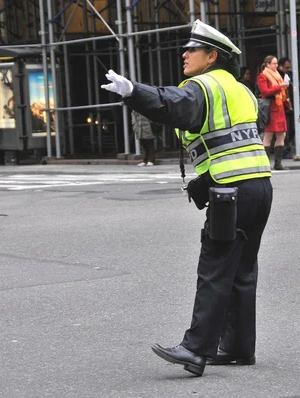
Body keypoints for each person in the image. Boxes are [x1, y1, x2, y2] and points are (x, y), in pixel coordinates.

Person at [101, 19, 273, 377]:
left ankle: (195, 350)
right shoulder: (239, 89)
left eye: (192, 49)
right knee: (242, 270)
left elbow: (171, 104)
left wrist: (133, 90)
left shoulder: (204, 86)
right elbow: (242, 133)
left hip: (231, 192)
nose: (185, 54)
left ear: (212, 56)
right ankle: (240, 347)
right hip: (260, 186)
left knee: (214, 268)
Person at [256, 55, 290, 170]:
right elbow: (265, 92)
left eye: (276, 64)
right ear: (267, 64)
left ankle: (278, 163)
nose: (276, 66)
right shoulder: (262, 76)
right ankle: (266, 164)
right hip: (270, 109)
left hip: (279, 108)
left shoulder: (277, 76)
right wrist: (280, 87)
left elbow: (280, 92)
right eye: (274, 64)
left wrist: (284, 88)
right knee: (268, 136)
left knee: (281, 135)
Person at [277, 57, 295, 159]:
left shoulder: (290, 75)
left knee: (291, 128)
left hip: (290, 105)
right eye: (286, 67)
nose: (287, 69)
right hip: (282, 106)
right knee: (285, 130)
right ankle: (285, 150)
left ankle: (287, 148)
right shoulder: (277, 75)